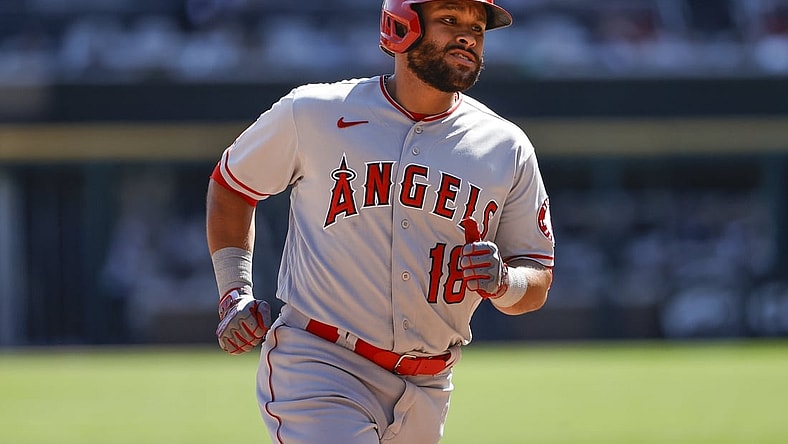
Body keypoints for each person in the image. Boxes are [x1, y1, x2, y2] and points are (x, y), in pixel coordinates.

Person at [205, 1, 555, 442]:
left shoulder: (507, 147)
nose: (468, 36)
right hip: (321, 363)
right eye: (450, 19)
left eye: (478, 27)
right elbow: (232, 185)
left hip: (429, 385)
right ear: (402, 25)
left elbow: (538, 275)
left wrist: (506, 282)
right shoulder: (315, 112)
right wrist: (234, 291)